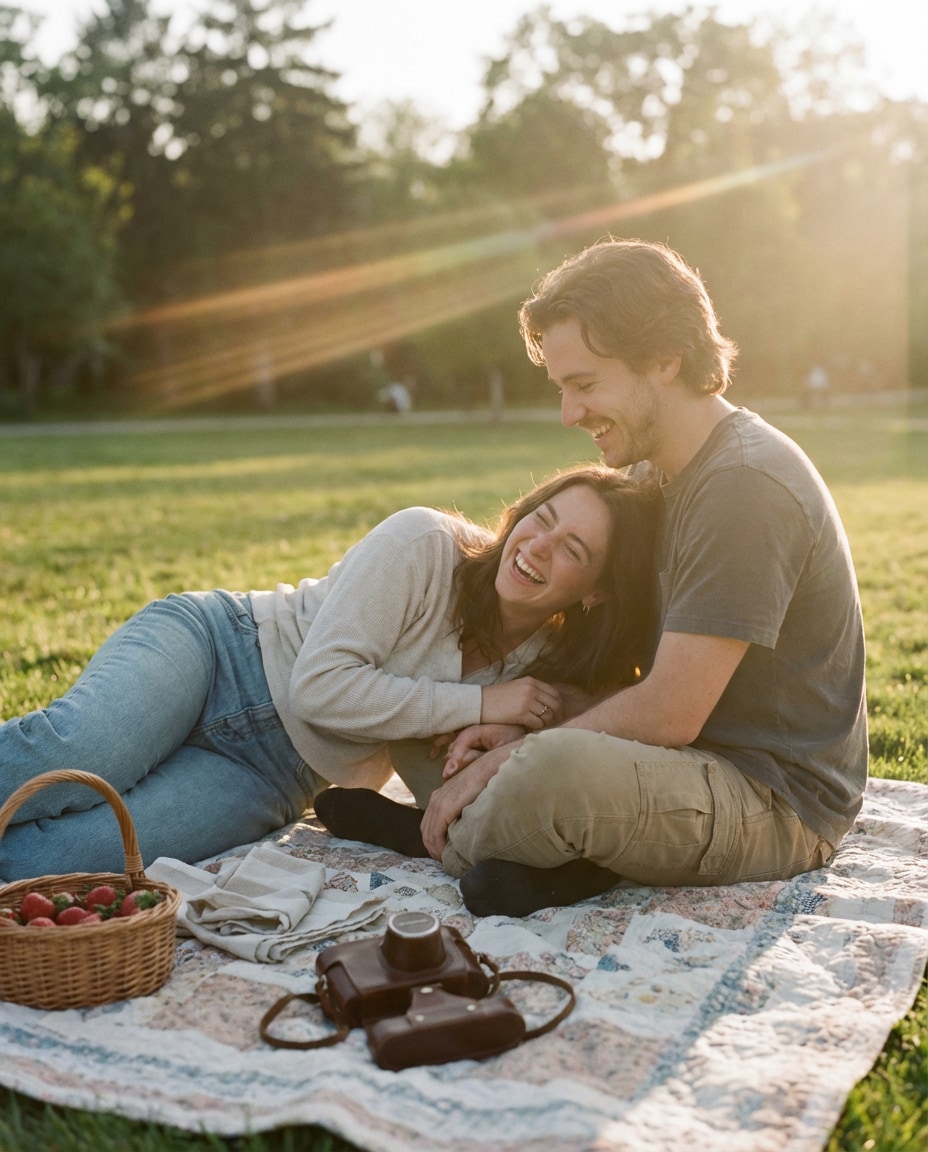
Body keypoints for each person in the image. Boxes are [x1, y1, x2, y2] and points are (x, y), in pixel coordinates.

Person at [322, 237, 868, 919]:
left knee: (552, 773)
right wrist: (517, 726)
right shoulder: (648, 478)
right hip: (683, 758)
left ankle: (437, 832)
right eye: (563, 389)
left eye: (584, 385)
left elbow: (670, 709)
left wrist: (514, 759)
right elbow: (630, 678)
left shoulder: (743, 487)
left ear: (665, 360)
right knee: (449, 710)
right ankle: (535, 852)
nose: (569, 414)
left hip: (774, 797)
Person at [0, 464, 660, 882]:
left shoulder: (543, 676)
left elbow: (452, 783)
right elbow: (321, 689)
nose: (537, 546)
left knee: (54, 862)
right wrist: (484, 705)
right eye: (541, 519)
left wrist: (505, 735)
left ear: (595, 592)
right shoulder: (426, 544)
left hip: (271, 776)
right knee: (71, 758)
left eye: (571, 548)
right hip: (217, 652)